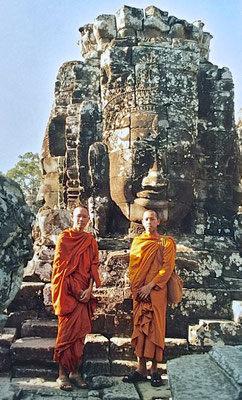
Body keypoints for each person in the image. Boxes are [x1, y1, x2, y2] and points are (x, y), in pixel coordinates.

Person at [123, 209, 176, 387]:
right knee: (139, 326)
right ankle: (140, 368)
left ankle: (154, 369)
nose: (148, 222)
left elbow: (167, 268)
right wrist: (137, 289)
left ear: (158, 222)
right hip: (139, 292)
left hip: (156, 292)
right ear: (142, 222)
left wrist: (150, 286)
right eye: (146, 219)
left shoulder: (166, 242)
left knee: (156, 328)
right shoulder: (138, 242)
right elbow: (133, 268)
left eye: (152, 219)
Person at [51, 206, 101, 391]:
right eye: (78, 216)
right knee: (65, 335)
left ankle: (75, 372)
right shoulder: (65, 238)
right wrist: (77, 291)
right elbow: (60, 270)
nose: (81, 219)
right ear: (72, 217)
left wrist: (88, 291)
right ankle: (62, 374)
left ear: (89, 220)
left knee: (79, 336)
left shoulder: (90, 241)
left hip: (84, 294)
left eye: (85, 217)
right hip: (68, 294)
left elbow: (93, 268)